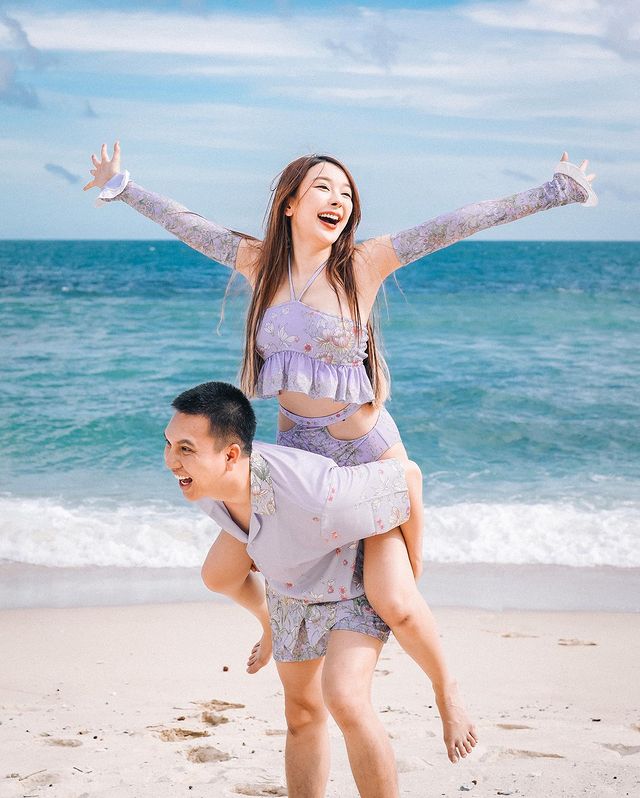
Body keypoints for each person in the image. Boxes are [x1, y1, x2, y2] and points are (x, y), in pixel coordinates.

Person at [83, 142, 596, 763]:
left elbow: (456, 223)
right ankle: (272, 620)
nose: (339, 201)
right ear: (290, 203)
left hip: (368, 457)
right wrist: (124, 188)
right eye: (324, 188)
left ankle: (447, 690)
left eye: (347, 193)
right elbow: (192, 226)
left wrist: (553, 192)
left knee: (394, 600)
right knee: (221, 571)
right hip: (299, 460)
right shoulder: (260, 265)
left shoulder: (363, 265)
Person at [165, 380, 440, 797]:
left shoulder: (318, 493)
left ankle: (446, 693)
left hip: (348, 571)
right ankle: (269, 623)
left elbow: (406, 478)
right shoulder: (205, 481)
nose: (171, 461)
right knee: (301, 711)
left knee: (346, 700)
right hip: (294, 579)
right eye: (169, 444)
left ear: (231, 455)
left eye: (185, 449)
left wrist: (414, 559)